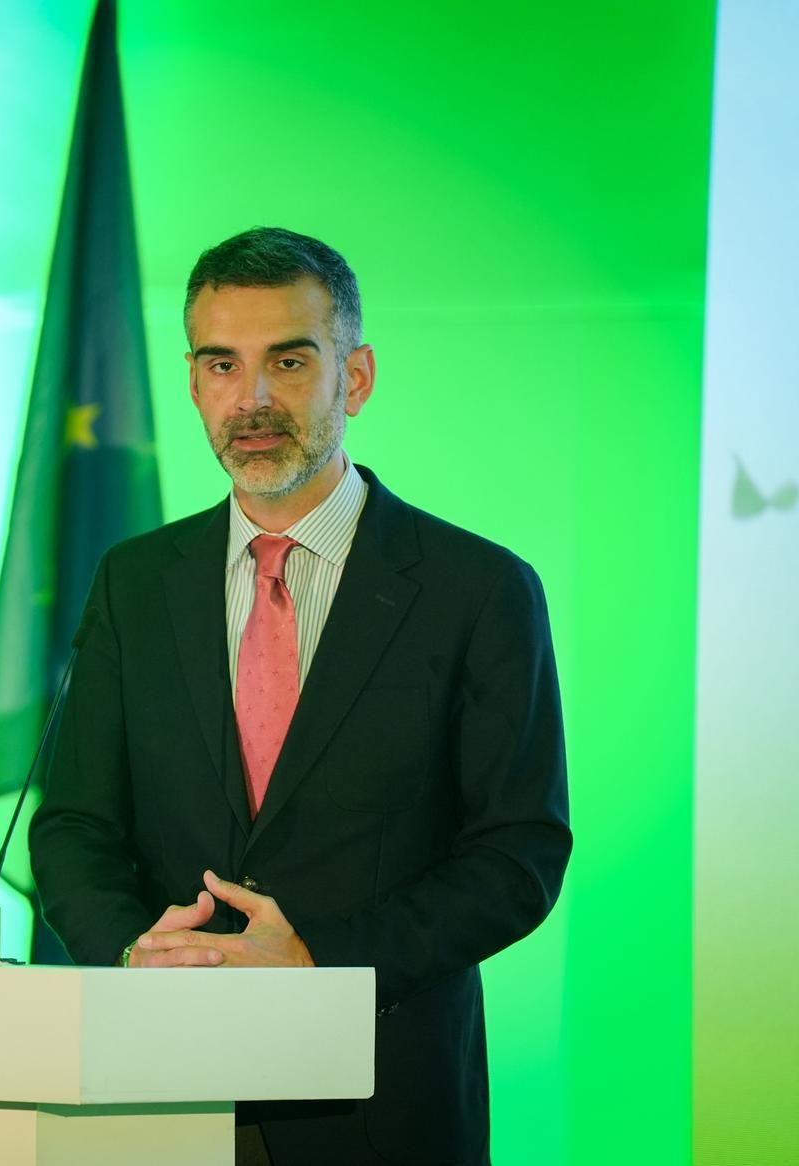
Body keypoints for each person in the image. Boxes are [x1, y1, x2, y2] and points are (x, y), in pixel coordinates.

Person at [29, 226, 572, 1165]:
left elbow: (518, 854)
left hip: (382, 1102)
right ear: (195, 383)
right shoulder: (134, 582)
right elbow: (73, 825)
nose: (254, 400)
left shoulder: (477, 590)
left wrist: (321, 961)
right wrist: (134, 955)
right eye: (222, 365)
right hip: (161, 1094)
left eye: (288, 360)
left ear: (353, 377)